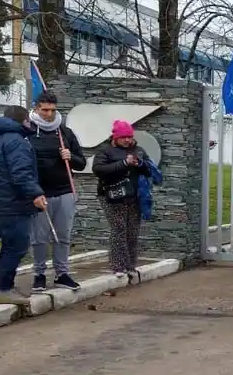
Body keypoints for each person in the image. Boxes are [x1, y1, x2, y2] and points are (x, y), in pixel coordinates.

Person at [0, 107, 47, 305]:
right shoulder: (17, 142)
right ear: (24, 121)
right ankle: (4, 288)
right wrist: (36, 193)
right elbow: (21, 173)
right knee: (16, 246)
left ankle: (3, 285)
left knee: (9, 245)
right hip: (13, 203)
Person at [27, 90, 87, 292]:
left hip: (64, 191)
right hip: (39, 192)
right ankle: (39, 274)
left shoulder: (64, 133)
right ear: (36, 108)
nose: (49, 114)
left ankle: (62, 274)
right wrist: (31, 191)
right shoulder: (27, 131)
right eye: (45, 110)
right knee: (39, 237)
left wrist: (71, 157)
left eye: (53, 110)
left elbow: (81, 163)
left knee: (63, 235)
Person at [92, 120, 151, 280]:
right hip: (112, 196)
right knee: (119, 230)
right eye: (123, 137)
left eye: (129, 136)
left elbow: (149, 170)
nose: (127, 140)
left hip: (134, 196)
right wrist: (124, 163)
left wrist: (140, 164)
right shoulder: (105, 151)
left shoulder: (138, 150)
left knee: (132, 231)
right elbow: (98, 170)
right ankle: (118, 265)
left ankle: (130, 265)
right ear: (115, 137)